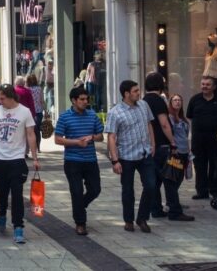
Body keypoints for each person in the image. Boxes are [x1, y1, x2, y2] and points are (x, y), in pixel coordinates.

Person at [0, 84, 39, 244]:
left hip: (17, 159)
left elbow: (31, 135)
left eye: (2, 98)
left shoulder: (24, 111)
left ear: (11, 97)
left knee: (17, 194)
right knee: (1, 191)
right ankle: (1, 214)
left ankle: (18, 226)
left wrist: (34, 157)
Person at [105, 80, 156, 233]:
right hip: (126, 156)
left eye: (138, 90)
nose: (138, 93)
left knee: (151, 186)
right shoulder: (115, 112)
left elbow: (149, 124)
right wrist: (115, 160)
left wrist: (152, 144)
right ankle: (128, 220)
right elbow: (111, 137)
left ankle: (142, 217)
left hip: (144, 153)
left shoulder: (144, 106)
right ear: (126, 94)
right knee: (128, 190)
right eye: (135, 91)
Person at [144, 72, 195, 222]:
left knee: (156, 180)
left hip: (150, 146)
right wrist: (173, 142)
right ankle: (175, 210)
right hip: (163, 146)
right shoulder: (159, 101)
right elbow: (164, 124)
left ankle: (156, 209)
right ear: (160, 85)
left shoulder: (143, 101)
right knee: (170, 179)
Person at [54, 86, 104, 236]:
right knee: (76, 191)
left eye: (86, 99)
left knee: (95, 189)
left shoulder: (92, 115)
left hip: (90, 159)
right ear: (73, 101)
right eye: (82, 99)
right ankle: (80, 223)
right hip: (72, 160)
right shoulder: (65, 117)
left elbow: (101, 135)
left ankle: (79, 206)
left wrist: (92, 138)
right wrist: (77, 142)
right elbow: (57, 139)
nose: (85, 102)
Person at [187, 76, 217, 204]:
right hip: (198, 140)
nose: (204, 86)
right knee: (199, 166)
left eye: (207, 84)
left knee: (215, 165)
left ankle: (215, 191)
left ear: (214, 87)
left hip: (216, 140)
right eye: (202, 84)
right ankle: (202, 191)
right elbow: (189, 116)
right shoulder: (195, 100)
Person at [27, 74, 45, 152]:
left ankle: (31, 147)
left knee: (30, 130)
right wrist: (46, 110)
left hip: (30, 112)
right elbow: (42, 101)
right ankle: (38, 147)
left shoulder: (27, 89)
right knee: (37, 130)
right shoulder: (39, 89)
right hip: (38, 111)